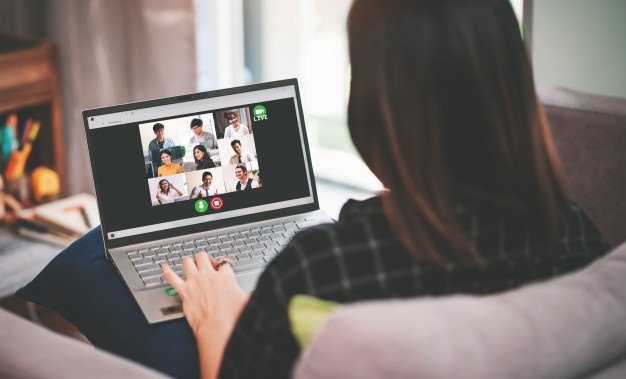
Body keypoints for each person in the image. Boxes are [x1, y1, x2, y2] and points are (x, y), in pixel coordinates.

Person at [159, 1, 611, 378]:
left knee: (93, 264)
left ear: (377, 100)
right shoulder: (575, 234)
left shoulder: (322, 266)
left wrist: (215, 318)